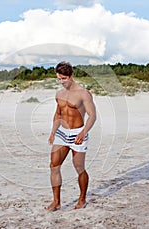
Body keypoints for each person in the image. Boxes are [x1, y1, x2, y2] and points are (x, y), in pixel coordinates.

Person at [45, 61, 96, 211]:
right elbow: (58, 113)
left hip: (78, 133)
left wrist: (83, 132)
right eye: (59, 79)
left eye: (64, 79)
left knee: (79, 167)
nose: (62, 82)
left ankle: (82, 199)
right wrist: (53, 131)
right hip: (62, 133)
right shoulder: (59, 94)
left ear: (71, 76)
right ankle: (56, 202)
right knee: (54, 165)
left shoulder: (83, 93)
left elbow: (92, 116)